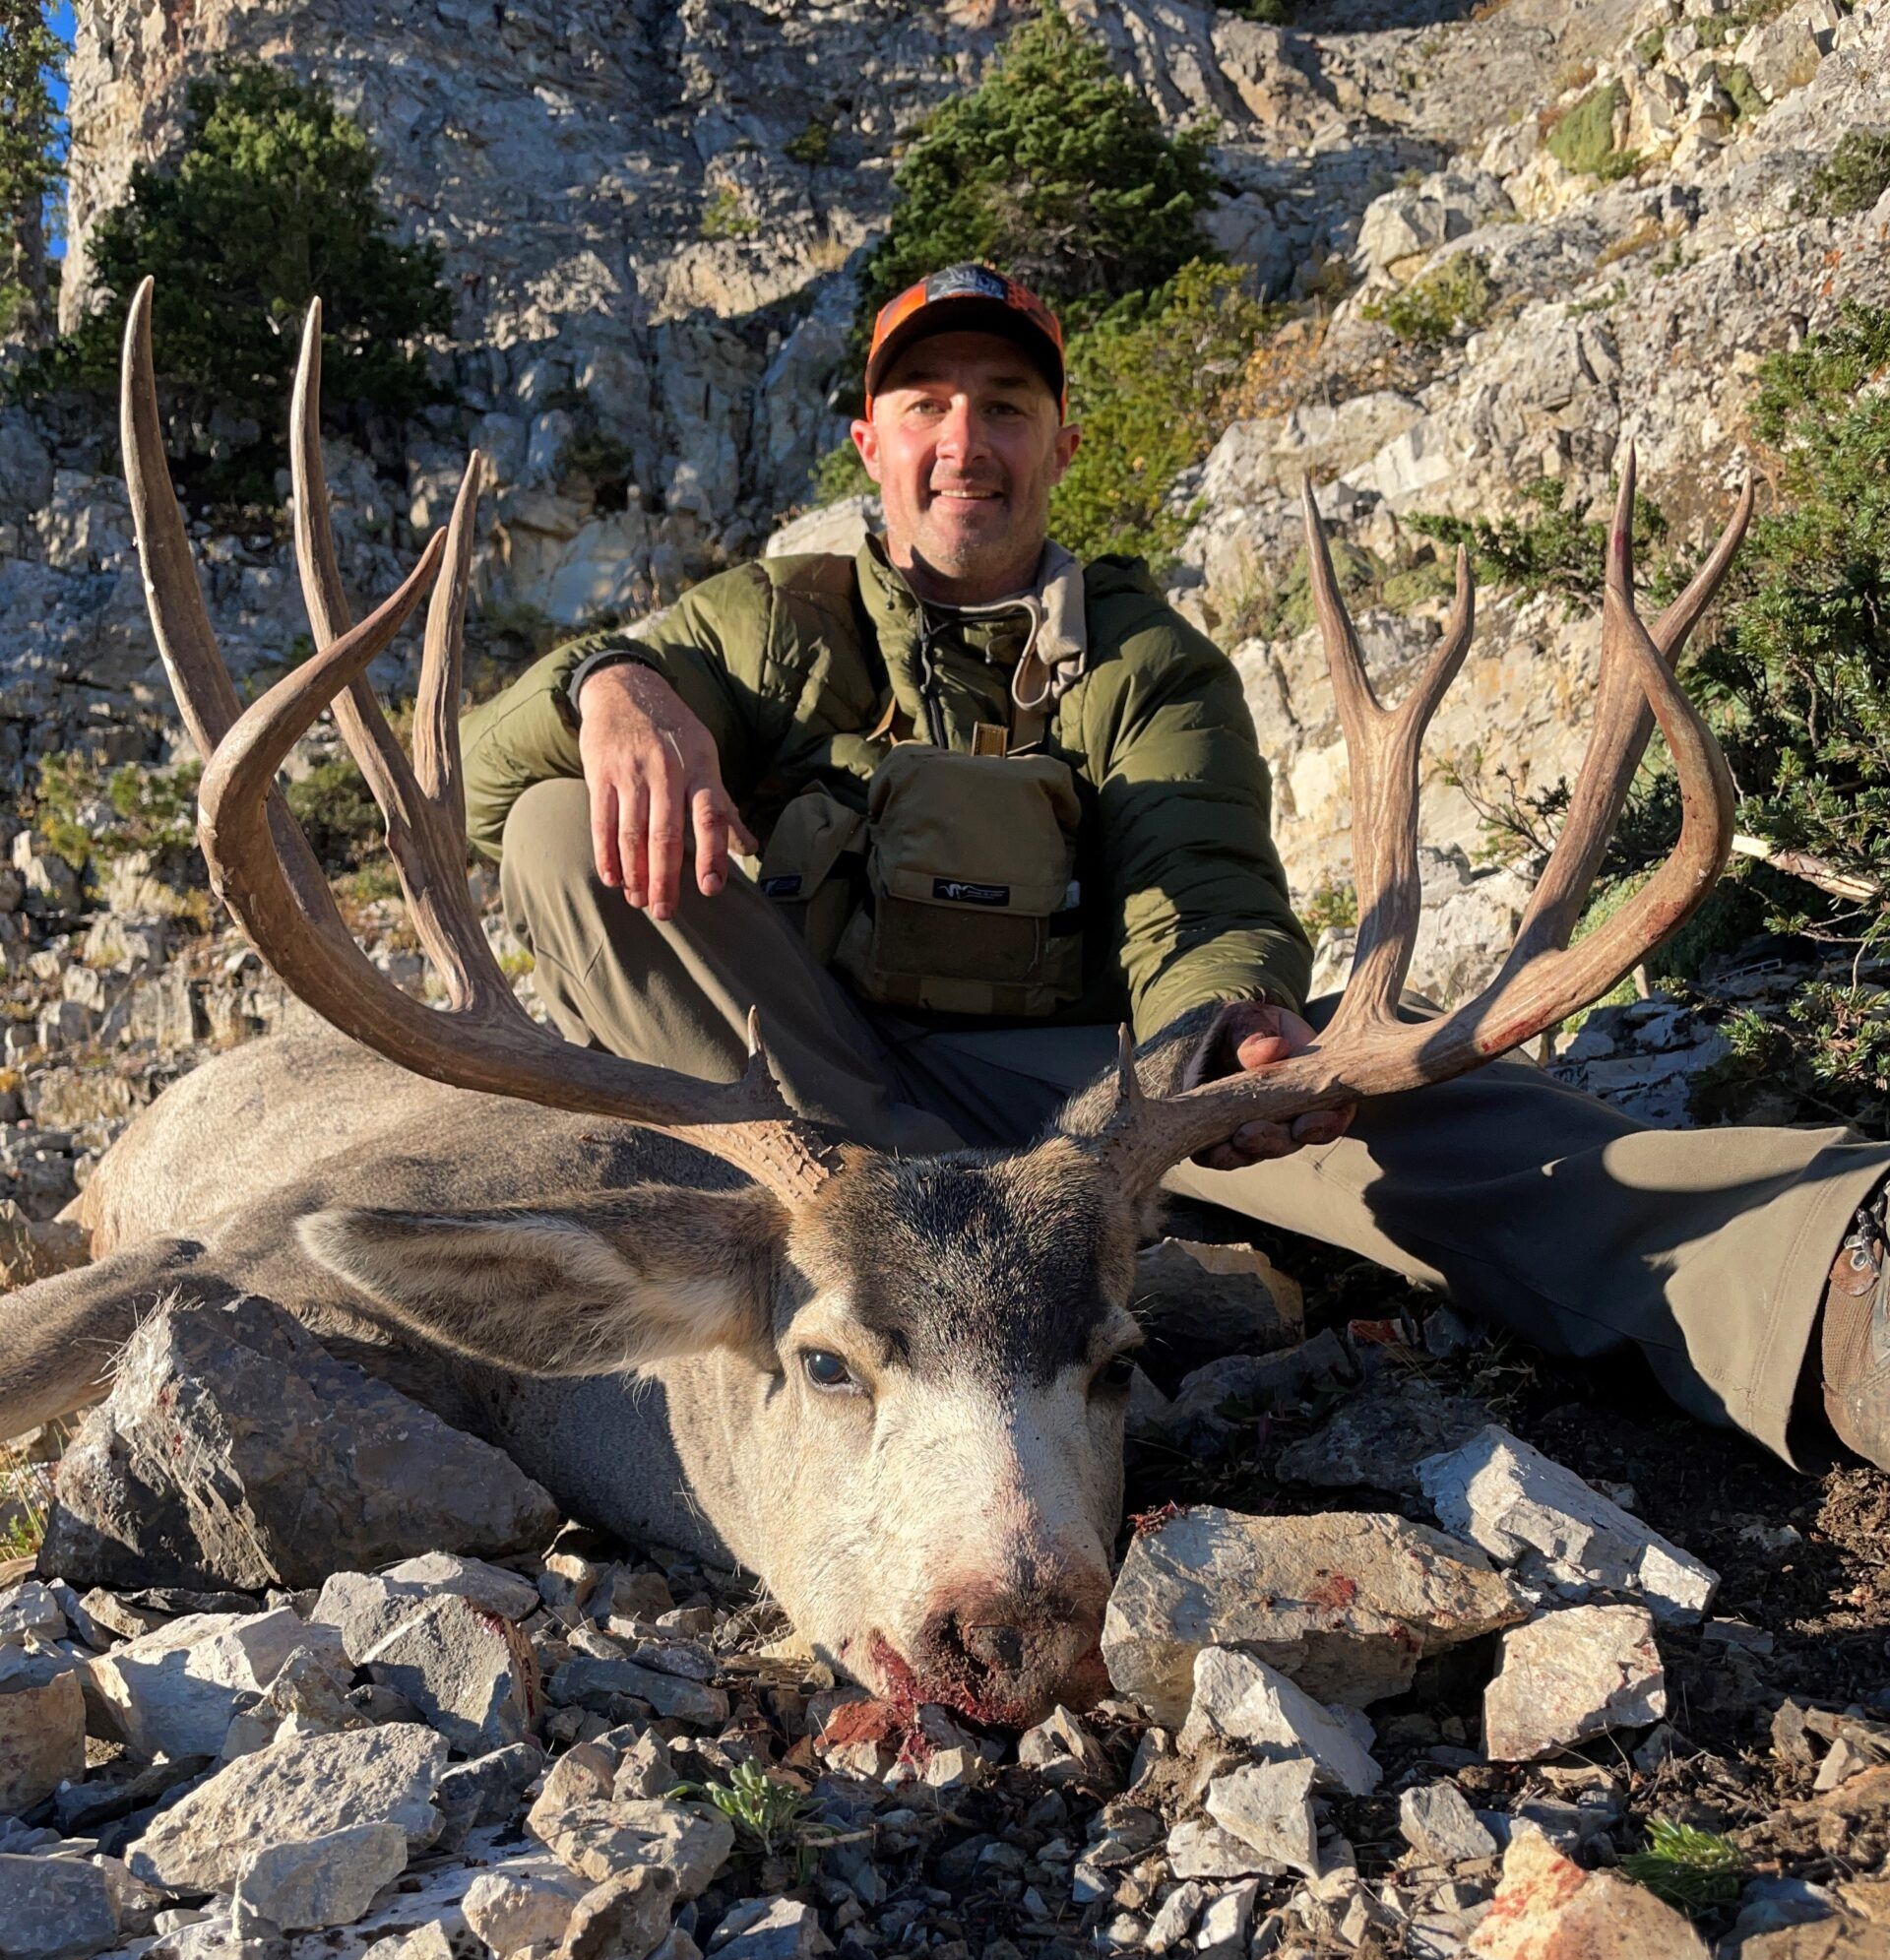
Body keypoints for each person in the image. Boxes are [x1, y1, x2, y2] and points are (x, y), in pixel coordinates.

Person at [461, 260, 1890, 1474]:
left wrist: (1240, 1021)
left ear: (1061, 446)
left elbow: (1200, 890)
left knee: (1409, 1105)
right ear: (870, 446)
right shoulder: (771, 620)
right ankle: (899, 1245)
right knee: (550, 821)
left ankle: (1817, 1278)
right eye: (929, 408)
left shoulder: (1145, 661)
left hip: (1072, 1097)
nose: (968, 440)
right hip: (812, 1099)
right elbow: (480, 773)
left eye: (1007, 408)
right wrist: (610, 683)